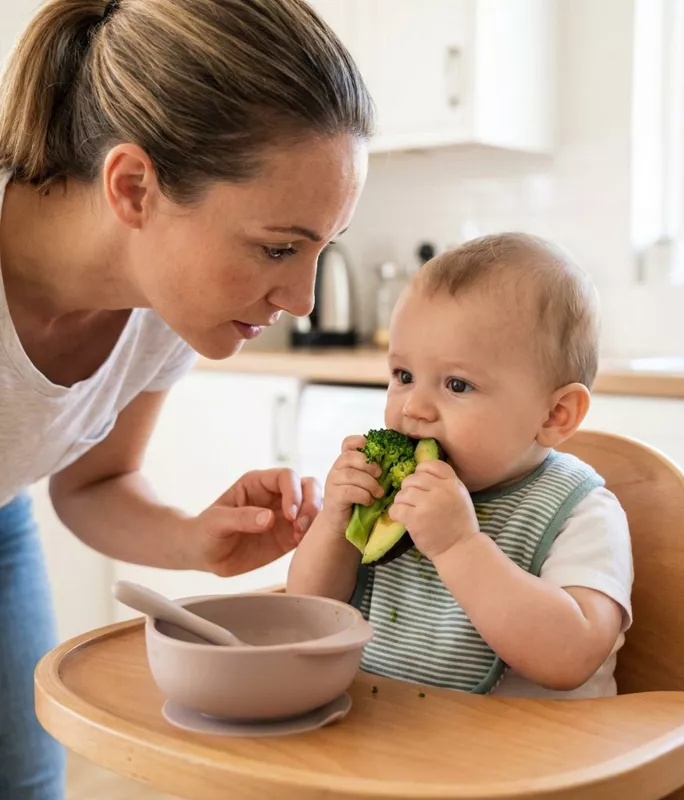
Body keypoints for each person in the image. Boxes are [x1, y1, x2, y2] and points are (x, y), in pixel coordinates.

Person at [0, 0, 374, 796]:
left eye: (319, 250)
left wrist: (195, 541)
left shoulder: (162, 304)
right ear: (134, 187)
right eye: (278, 247)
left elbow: (94, 483)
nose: (303, 300)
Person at [288, 233, 633, 698]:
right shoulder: (389, 495)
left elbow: (571, 656)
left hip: (530, 743)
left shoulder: (581, 514)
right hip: (390, 731)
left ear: (555, 415)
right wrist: (333, 525)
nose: (414, 408)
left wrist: (458, 546)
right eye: (403, 376)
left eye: (457, 385)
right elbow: (307, 614)